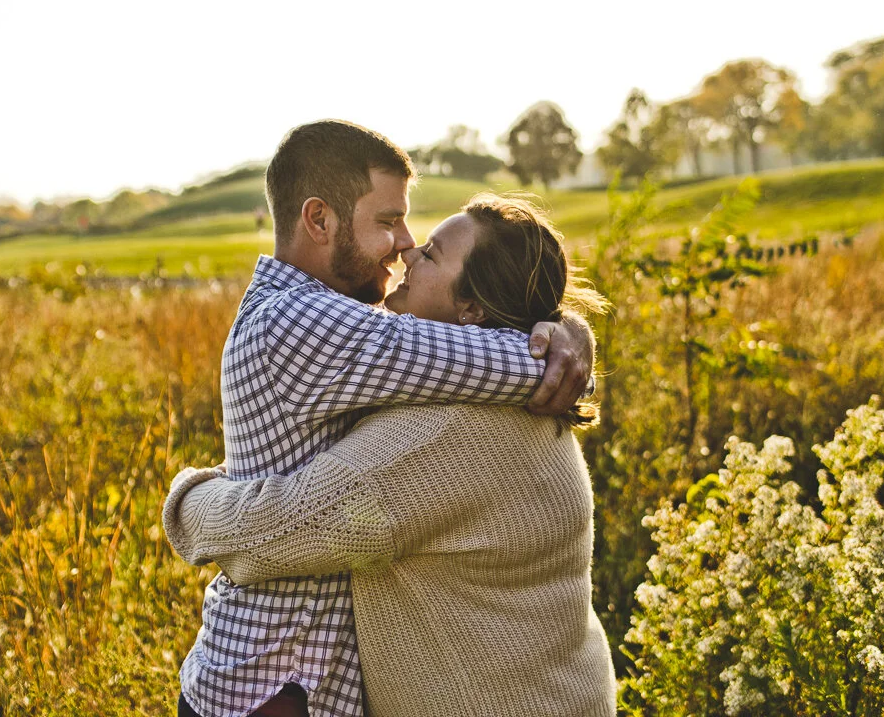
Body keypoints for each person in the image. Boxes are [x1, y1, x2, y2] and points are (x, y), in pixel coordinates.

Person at [171, 120, 597, 717]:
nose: (404, 243)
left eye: (421, 245)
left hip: (309, 681)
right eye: (388, 222)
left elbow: (303, 516)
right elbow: (482, 359)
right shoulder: (298, 323)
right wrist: (561, 349)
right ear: (318, 220)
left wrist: (564, 338)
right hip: (269, 686)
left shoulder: (451, 422)